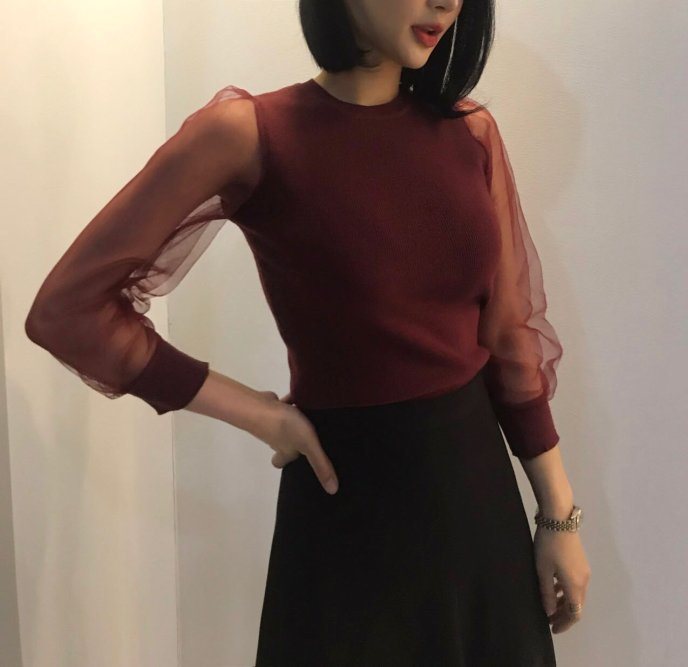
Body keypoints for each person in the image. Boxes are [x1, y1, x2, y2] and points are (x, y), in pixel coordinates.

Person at [25, 0, 591, 664]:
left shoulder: (470, 132)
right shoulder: (249, 133)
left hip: (478, 503)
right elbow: (69, 310)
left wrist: (558, 514)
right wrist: (262, 415)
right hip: (348, 516)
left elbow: (508, 335)